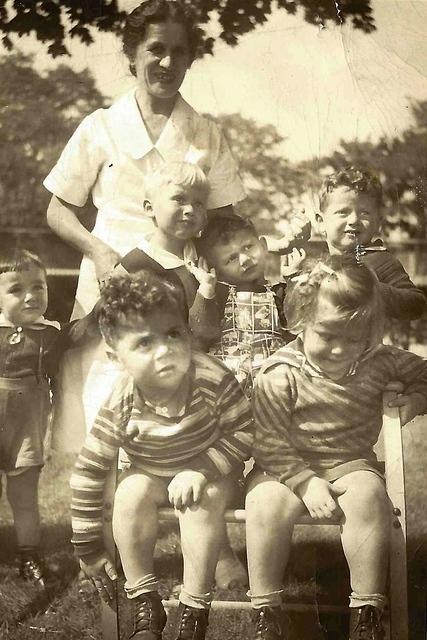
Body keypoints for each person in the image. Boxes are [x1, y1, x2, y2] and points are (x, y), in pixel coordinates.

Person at [245, 256, 427, 640]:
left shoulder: (378, 360)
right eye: (328, 335)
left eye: (355, 338)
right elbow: (269, 441)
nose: (341, 349)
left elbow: (424, 372)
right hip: (283, 468)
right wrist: (305, 482)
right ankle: (267, 612)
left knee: (368, 497)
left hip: (350, 462)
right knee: (264, 503)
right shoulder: (281, 373)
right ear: (301, 321)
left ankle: (366, 611)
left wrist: (415, 399)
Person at [71, 269, 254, 640]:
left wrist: (202, 470)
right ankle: (145, 601)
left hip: (213, 471)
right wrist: (89, 547)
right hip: (152, 471)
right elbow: (90, 469)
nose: (165, 350)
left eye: (173, 334)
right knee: (128, 494)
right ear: (115, 356)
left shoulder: (210, 377)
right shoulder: (122, 397)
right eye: (144, 343)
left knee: (199, 502)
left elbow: (244, 430)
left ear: (187, 331)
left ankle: (193, 609)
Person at [0, 249, 64, 588]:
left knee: (24, 496)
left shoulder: (51, 333)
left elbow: (82, 337)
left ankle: (29, 555)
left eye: (38, 286)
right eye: (16, 289)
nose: (30, 296)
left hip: (27, 425)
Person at [195, 212, 306, 395]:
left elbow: (296, 328)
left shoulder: (278, 292)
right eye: (231, 258)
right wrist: (206, 288)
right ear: (215, 269)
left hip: (273, 387)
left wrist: (293, 280)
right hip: (229, 389)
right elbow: (202, 331)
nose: (245, 260)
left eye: (248, 247)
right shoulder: (219, 296)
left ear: (263, 246)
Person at [316, 166, 425, 320]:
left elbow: (416, 304)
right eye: (343, 212)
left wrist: (371, 290)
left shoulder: (379, 260)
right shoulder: (317, 263)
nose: (354, 220)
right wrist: (292, 276)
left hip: (364, 343)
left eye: (364, 213)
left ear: (378, 223)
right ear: (321, 221)